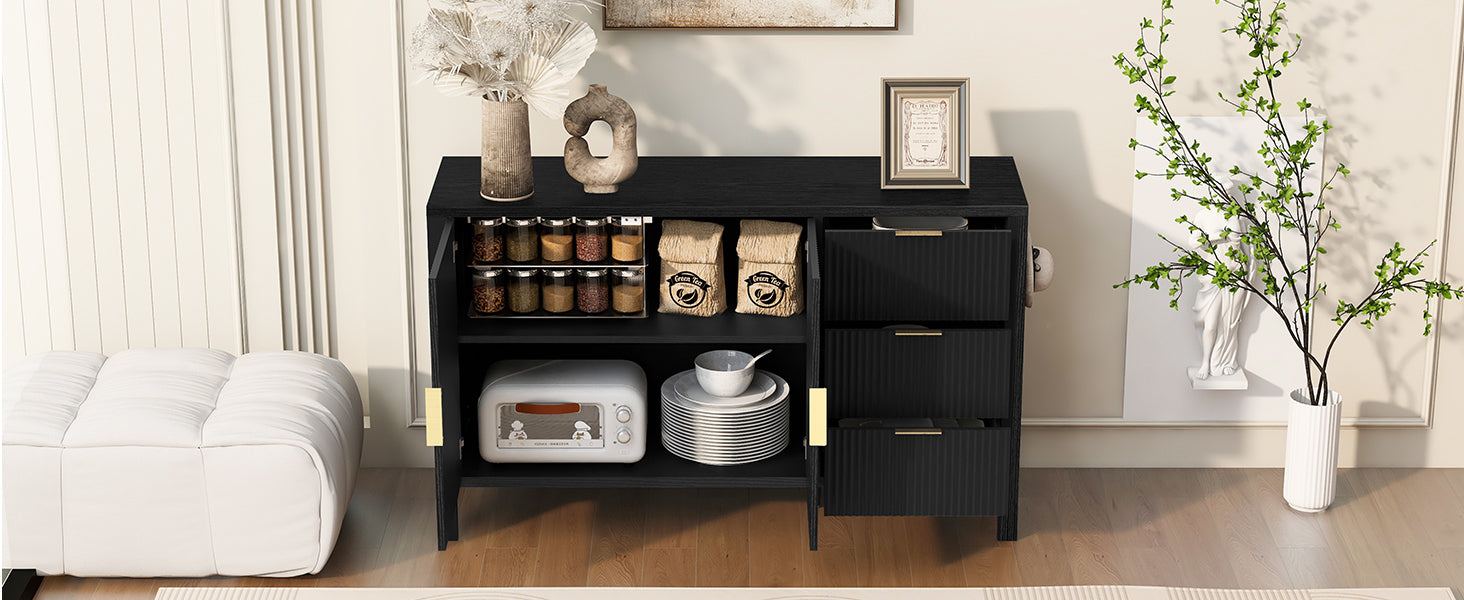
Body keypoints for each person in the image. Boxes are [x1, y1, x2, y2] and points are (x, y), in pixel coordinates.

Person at [1190, 210, 1251, 380]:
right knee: (1210, 325)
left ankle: (1226, 361)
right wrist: (1214, 237)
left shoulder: (1236, 216)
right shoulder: (1203, 215)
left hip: (1236, 273)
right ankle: (1206, 362)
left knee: (1230, 322)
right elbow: (1193, 242)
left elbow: (1239, 243)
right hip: (1214, 274)